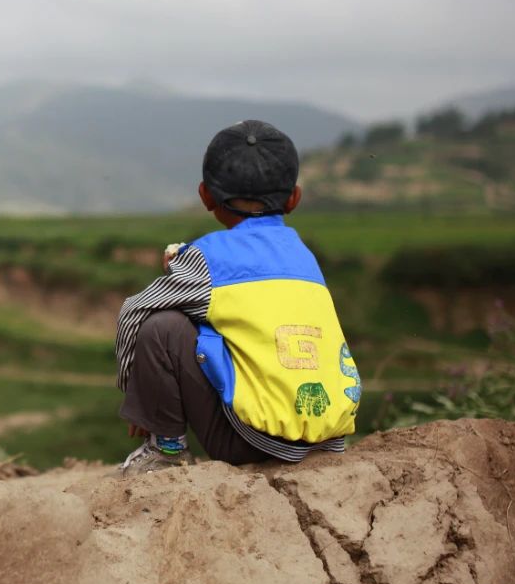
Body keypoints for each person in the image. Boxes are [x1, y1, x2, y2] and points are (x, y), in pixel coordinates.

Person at [115, 119, 362, 474]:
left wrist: (140, 396)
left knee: (162, 324)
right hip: (327, 437)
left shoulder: (206, 257)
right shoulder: (303, 256)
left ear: (205, 196)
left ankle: (165, 450)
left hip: (251, 441)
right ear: (294, 198)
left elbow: (132, 312)